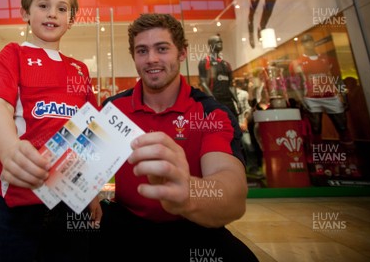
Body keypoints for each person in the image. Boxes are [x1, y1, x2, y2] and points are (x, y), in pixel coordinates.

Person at [98, 13, 257, 261]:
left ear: (182, 53)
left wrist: (188, 193)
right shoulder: (112, 109)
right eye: (142, 51)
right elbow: (81, 168)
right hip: (126, 226)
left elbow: (233, 195)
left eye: (162, 49)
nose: (151, 59)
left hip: (193, 225)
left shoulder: (211, 112)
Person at [0, 0, 101, 262]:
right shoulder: (14, 54)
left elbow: (90, 131)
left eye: (62, 8)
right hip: (20, 200)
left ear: (71, 20)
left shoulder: (79, 69)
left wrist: (92, 189)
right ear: (26, 13)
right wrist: (9, 151)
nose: (52, 13)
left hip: (71, 197)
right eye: (43, 6)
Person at [288, 34, 360, 178]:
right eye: (305, 42)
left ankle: (352, 163)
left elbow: (337, 78)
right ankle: (319, 162)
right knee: (315, 130)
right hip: (312, 98)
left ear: (314, 42)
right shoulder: (297, 62)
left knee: (342, 128)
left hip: (331, 96)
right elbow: (295, 83)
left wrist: (343, 95)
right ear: (302, 45)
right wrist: (301, 100)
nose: (308, 44)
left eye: (310, 40)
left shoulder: (327, 59)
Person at [198, 35, 239, 119]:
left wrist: (237, 100)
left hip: (229, 101)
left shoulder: (226, 64)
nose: (220, 43)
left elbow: (230, 85)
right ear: (210, 45)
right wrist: (212, 99)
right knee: (219, 128)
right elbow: (203, 83)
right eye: (217, 42)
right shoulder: (205, 62)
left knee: (235, 127)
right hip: (216, 100)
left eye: (221, 42)